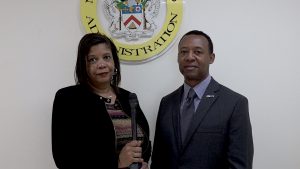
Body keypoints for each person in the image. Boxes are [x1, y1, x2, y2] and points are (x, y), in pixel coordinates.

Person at [151, 30, 254, 169]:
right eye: (183, 52)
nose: (189, 57)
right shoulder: (166, 103)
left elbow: (240, 165)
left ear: (211, 58)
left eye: (198, 52)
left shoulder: (235, 103)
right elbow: (158, 159)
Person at [52, 33, 151, 169]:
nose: (101, 64)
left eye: (106, 57)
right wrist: (117, 163)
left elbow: (145, 143)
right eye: (92, 60)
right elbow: (64, 158)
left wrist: (142, 163)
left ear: (114, 62)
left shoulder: (129, 97)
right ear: (83, 65)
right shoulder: (68, 98)